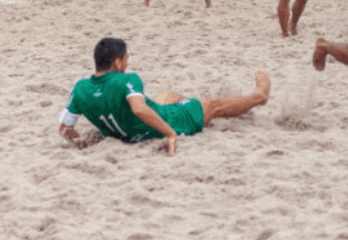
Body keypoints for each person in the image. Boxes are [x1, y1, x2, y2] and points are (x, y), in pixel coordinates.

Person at [58, 38, 270, 157]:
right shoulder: (127, 79)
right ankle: (258, 97)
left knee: (169, 95)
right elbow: (139, 110)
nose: (128, 63)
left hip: (128, 129)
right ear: (117, 62)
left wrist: (82, 141)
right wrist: (170, 134)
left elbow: (65, 129)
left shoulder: (80, 88)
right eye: (126, 59)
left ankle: (178, 101)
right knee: (212, 105)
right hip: (163, 122)